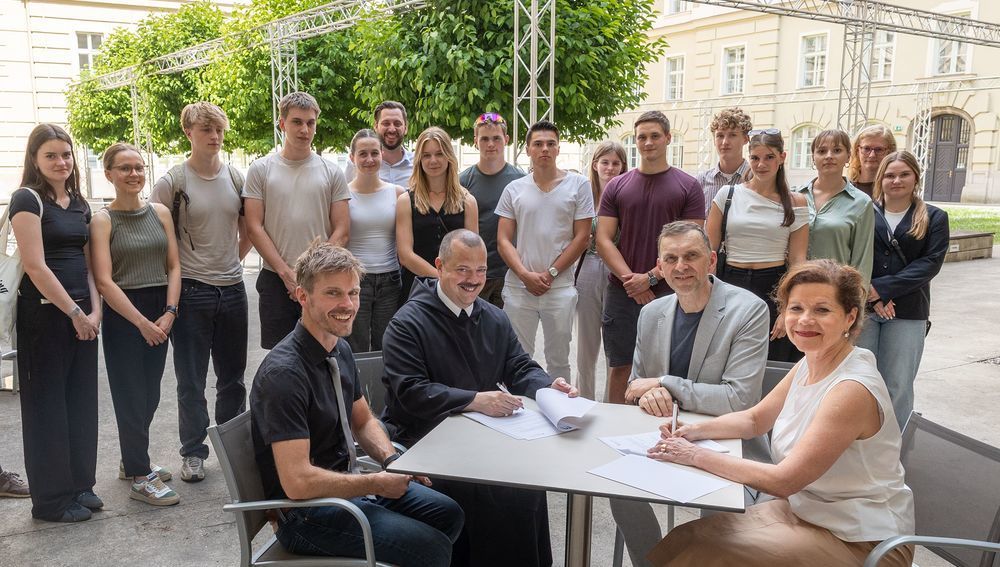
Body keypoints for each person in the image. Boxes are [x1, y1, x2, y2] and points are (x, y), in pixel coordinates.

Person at [646, 260, 914, 567]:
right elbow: (755, 419)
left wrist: (694, 455)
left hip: (860, 539)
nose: (805, 320)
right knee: (687, 538)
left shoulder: (851, 389)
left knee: (708, 555)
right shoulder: (813, 360)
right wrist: (693, 431)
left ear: (850, 317)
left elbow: (784, 481)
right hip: (809, 512)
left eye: (822, 310)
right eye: (796, 308)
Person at [250, 240, 464, 565]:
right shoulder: (284, 374)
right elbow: (297, 482)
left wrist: (392, 461)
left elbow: (362, 421)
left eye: (353, 292)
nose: (348, 304)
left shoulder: (339, 348)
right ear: (302, 296)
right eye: (333, 293)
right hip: (306, 513)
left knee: (449, 514)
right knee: (431, 547)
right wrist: (375, 481)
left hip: (346, 486)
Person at [381, 229, 578, 567]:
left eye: (481, 271)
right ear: (440, 266)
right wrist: (475, 399)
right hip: (426, 441)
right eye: (462, 270)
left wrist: (548, 386)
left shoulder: (493, 316)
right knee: (493, 491)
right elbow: (410, 392)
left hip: (484, 436)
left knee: (527, 480)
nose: (473, 280)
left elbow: (518, 366)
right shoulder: (406, 323)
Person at [611, 222, 770, 567]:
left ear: (711, 261)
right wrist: (648, 395)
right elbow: (638, 387)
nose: (681, 266)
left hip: (728, 444)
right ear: (661, 266)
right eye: (671, 258)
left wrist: (665, 384)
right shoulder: (651, 313)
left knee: (717, 506)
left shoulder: (749, 310)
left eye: (691, 256)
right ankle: (650, 562)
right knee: (618, 491)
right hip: (663, 436)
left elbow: (738, 399)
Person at [151, 101, 251, 483]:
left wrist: (231, 261)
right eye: (205, 130)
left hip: (233, 289)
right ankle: (193, 453)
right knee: (191, 379)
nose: (214, 137)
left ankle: (231, 450)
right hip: (191, 292)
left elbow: (246, 229)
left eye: (219, 131)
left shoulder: (235, 177)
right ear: (188, 133)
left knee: (233, 378)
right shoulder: (173, 181)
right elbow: (153, 234)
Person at [10, 124, 101, 522]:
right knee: (47, 408)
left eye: (66, 154)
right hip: (45, 317)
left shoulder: (80, 202)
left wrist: (95, 310)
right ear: (35, 159)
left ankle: (81, 484)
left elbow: (87, 264)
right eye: (51, 155)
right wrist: (76, 313)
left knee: (81, 404)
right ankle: (51, 501)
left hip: (84, 316)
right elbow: (35, 265)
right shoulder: (26, 200)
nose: (61, 162)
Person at [91, 143, 181, 506]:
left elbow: (174, 265)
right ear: (109, 174)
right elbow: (104, 281)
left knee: (151, 394)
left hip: (161, 309)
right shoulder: (102, 220)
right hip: (125, 314)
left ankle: (133, 461)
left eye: (139, 167)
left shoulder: (160, 212)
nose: (134, 174)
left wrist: (170, 311)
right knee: (130, 396)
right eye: (124, 168)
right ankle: (141, 477)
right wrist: (142, 322)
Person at [597, 111, 705, 404]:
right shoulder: (617, 186)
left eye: (654, 135)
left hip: (672, 291)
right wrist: (631, 280)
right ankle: (615, 428)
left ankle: (660, 431)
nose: (647, 142)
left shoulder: (688, 185)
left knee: (666, 369)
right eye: (641, 137)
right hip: (622, 291)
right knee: (620, 365)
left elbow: (691, 244)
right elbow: (603, 238)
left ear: (668, 138)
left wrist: (652, 277)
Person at [244, 91, 351, 349]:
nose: (305, 129)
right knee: (280, 356)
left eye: (310, 123)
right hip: (275, 279)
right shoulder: (260, 169)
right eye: (297, 122)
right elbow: (254, 227)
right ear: (282, 124)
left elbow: (342, 229)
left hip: (321, 280)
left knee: (324, 350)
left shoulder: (331, 171)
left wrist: (311, 274)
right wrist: (286, 274)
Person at [857, 151, 949, 430]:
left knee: (898, 383)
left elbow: (929, 264)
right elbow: (857, 256)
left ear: (916, 178)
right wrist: (872, 295)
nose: (896, 180)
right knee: (861, 380)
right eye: (889, 175)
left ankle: (894, 447)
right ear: (880, 179)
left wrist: (881, 290)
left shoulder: (934, 216)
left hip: (908, 311)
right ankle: (859, 442)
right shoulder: (864, 212)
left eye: (903, 174)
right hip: (865, 310)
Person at [496, 120, 593, 381]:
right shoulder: (514, 189)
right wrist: (525, 274)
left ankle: (562, 413)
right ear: (527, 149)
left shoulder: (578, 185)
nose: (544, 149)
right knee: (518, 357)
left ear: (559, 148)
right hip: (519, 287)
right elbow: (503, 240)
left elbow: (582, 237)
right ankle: (521, 414)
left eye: (551, 144)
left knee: (559, 359)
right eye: (538, 144)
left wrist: (550, 274)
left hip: (559, 287)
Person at [707, 129, 809, 362]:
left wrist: (788, 307)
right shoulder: (728, 194)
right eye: (755, 157)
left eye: (769, 157)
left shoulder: (796, 202)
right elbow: (708, 250)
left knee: (772, 358)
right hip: (730, 282)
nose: (761, 164)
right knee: (728, 356)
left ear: (782, 157)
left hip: (773, 286)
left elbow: (798, 260)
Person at [396, 127, 478, 300]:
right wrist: (442, 278)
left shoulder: (468, 201)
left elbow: (472, 252)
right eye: (426, 155)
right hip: (417, 289)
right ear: (419, 159)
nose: (433, 160)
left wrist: (453, 281)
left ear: (449, 156)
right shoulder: (405, 201)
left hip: (458, 289)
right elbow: (405, 255)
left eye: (439, 154)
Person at [345, 129, 406, 353]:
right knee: (356, 347)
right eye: (362, 154)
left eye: (374, 153)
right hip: (355, 281)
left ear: (382, 154)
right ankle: (357, 389)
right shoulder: (342, 195)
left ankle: (384, 390)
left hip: (390, 280)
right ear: (352, 157)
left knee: (387, 346)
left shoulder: (397, 193)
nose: (369, 159)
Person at [575, 141, 627, 401]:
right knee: (586, 342)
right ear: (595, 165)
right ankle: (583, 399)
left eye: (615, 163)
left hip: (616, 269)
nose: (609, 168)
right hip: (588, 267)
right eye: (604, 162)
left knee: (613, 342)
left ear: (623, 166)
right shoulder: (585, 194)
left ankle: (610, 401)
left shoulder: (626, 194)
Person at [459, 112, 525, 308]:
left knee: (507, 332)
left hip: (511, 272)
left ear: (506, 140)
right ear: (475, 141)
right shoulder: (462, 181)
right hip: (474, 273)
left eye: (496, 138)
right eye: (484, 139)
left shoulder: (520, 181)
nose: (490, 144)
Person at [797, 129, 875, 286]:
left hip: (836, 291)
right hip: (797, 289)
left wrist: (856, 304)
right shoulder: (796, 196)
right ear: (813, 157)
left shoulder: (861, 202)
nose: (829, 156)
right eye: (822, 151)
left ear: (848, 156)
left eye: (837, 150)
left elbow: (862, 261)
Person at [696, 107, 752, 215]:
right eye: (720, 136)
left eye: (732, 135)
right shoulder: (701, 182)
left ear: (746, 139)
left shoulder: (755, 179)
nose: (725, 142)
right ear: (714, 140)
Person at [345, 101, 413, 185]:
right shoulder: (355, 165)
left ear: (405, 128)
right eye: (386, 123)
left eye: (397, 124)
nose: (392, 129)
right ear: (376, 126)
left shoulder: (418, 163)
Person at [848, 124, 897, 198]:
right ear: (857, 150)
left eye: (879, 149)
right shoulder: (844, 189)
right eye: (866, 148)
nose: (872, 155)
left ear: (889, 152)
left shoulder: (895, 189)